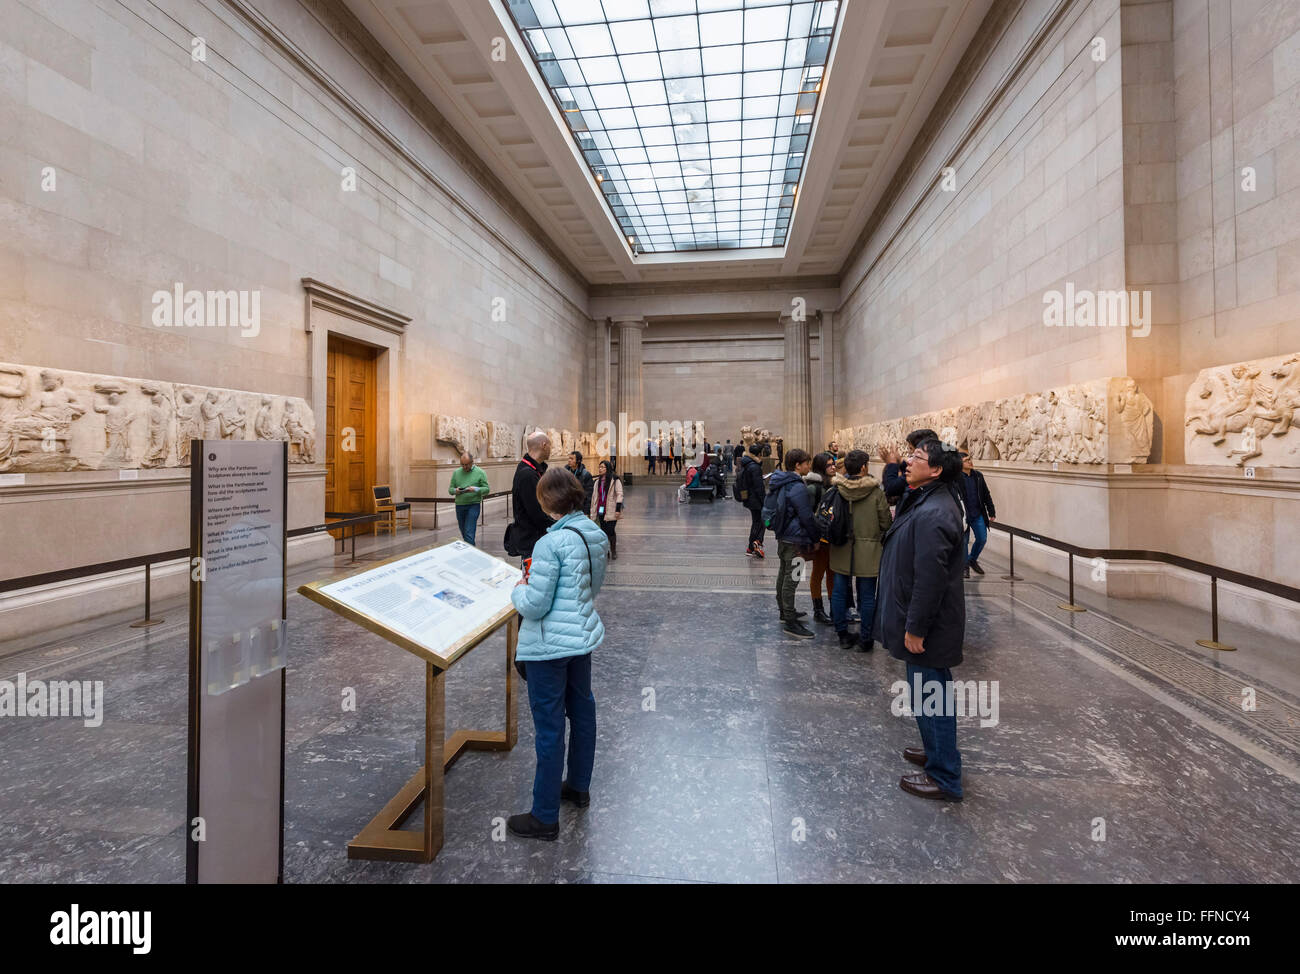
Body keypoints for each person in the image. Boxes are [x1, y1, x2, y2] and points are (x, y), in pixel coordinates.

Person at [507, 467, 610, 840]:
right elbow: (592, 586)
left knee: (549, 726)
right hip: (581, 637)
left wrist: (518, 586)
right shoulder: (594, 533)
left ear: (548, 501)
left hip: (549, 645)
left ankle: (544, 815)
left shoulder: (550, 544)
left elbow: (534, 605)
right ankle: (578, 786)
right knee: (582, 712)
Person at [876, 438, 966, 802]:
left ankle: (945, 777)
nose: (908, 462)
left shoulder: (935, 512)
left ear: (937, 470)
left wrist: (916, 628)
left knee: (934, 697)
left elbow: (930, 578)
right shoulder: (927, 499)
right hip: (923, 620)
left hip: (929, 626)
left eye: (916, 457)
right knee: (927, 694)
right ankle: (935, 753)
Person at [828, 449, 892, 651]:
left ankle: (842, 635)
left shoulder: (836, 490)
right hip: (869, 550)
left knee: (838, 592)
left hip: (840, 547)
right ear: (864, 467)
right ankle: (866, 638)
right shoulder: (875, 493)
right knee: (867, 596)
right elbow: (886, 522)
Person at [767, 448, 818, 639]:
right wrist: (814, 538)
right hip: (797, 540)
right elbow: (806, 516)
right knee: (793, 578)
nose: (808, 466)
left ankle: (784, 610)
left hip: (784, 537)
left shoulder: (782, 481)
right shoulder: (797, 486)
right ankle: (790, 620)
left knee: (784, 573)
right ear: (798, 465)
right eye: (806, 463)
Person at [508, 430, 554, 562]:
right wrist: (558, 526)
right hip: (532, 541)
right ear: (544, 445)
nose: (551, 450)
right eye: (550, 446)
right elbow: (537, 513)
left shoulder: (532, 470)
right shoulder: (528, 474)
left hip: (534, 538)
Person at [804, 452, 835, 625]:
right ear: (822, 467)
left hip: (833, 537)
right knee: (818, 573)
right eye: (829, 465)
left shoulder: (835, 485)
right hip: (820, 538)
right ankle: (818, 609)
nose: (833, 467)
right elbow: (808, 514)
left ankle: (833, 607)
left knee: (832, 572)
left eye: (833, 464)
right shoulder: (813, 488)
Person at [959, 452, 996, 577]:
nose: (970, 461)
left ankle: (971, 559)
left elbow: (986, 494)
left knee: (982, 538)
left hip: (977, 514)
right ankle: (964, 567)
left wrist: (991, 511)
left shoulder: (978, 476)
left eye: (970, 459)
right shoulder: (956, 479)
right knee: (964, 542)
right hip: (964, 515)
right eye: (966, 460)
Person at [880, 428, 938, 504]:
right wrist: (900, 461)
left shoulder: (923, 472)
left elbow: (892, 489)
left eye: (911, 449)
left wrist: (892, 464)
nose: (909, 453)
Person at [449, 451, 489, 546]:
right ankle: (471, 550)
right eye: (462, 464)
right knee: (464, 532)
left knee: (469, 532)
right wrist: (456, 491)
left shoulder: (480, 472)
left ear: (472, 462)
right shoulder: (456, 473)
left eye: (466, 465)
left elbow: (487, 489)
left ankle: (471, 555)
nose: (464, 467)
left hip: (473, 505)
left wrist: (476, 489)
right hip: (460, 505)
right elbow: (450, 490)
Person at [737, 442, 767, 558]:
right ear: (759, 453)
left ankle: (756, 543)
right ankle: (753, 545)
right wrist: (764, 501)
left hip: (750, 498)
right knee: (760, 522)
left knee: (760, 522)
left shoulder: (748, 464)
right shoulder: (755, 467)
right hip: (756, 500)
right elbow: (759, 487)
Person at [591, 459, 623, 560]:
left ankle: (613, 550)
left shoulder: (615, 480)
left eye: (602, 467)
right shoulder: (597, 482)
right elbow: (594, 497)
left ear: (608, 468)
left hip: (612, 509)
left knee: (611, 530)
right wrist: (593, 511)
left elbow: (619, 494)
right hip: (600, 510)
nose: (600, 469)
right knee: (603, 531)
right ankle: (606, 550)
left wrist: (618, 509)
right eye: (599, 467)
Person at [567, 450, 595, 516]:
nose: (569, 460)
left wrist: (586, 512)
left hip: (579, 509)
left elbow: (588, 495)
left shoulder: (585, 475)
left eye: (572, 459)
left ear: (578, 461)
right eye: (569, 458)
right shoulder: (565, 472)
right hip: (567, 508)